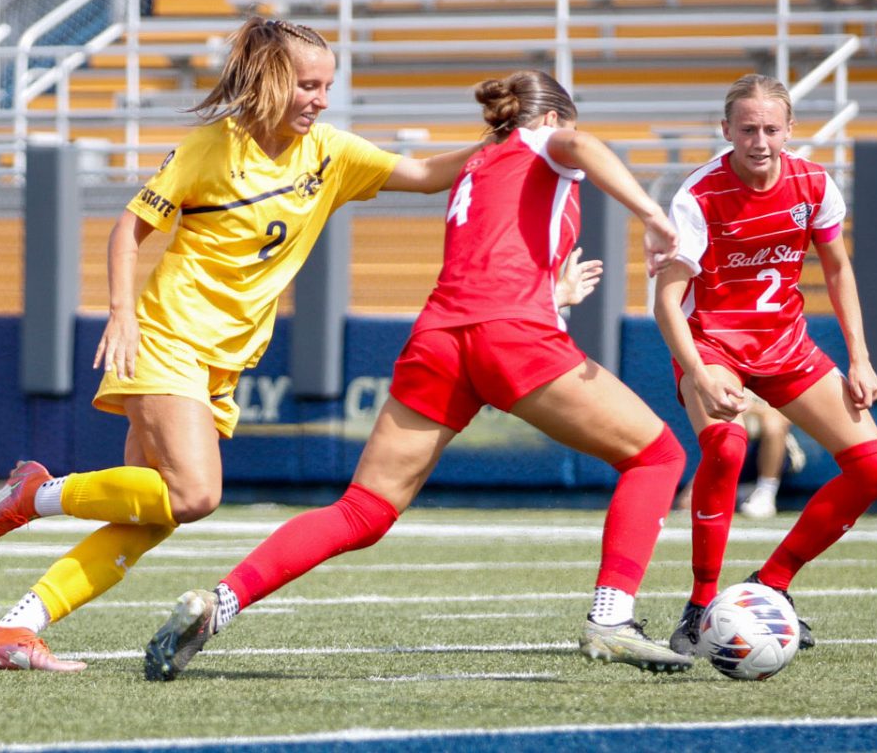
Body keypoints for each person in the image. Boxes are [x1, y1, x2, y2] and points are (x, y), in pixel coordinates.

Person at [0, 16, 487, 672]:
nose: (321, 100)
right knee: (195, 496)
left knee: (150, 515)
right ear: (270, 82)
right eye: (308, 86)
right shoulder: (208, 148)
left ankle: (15, 631)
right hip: (169, 334)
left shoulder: (332, 153)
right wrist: (121, 313)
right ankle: (32, 496)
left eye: (327, 87)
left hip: (221, 362)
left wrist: (506, 140)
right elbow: (128, 230)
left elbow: (428, 172)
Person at [142, 69, 693, 682]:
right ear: (552, 119)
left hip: (439, 340)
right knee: (658, 457)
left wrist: (550, 291)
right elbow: (580, 148)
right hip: (507, 337)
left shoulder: (480, 166)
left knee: (362, 511)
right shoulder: (546, 141)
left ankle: (217, 606)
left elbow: (494, 253)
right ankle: (611, 619)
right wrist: (654, 216)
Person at [652, 73, 877, 657]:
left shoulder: (814, 183)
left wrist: (860, 358)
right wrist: (700, 372)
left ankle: (772, 584)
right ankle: (700, 608)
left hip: (785, 346)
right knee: (728, 447)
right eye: (747, 128)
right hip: (712, 346)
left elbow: (838, 270)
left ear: (790, 130)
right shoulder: (698, 196)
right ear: (726, 129)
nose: (759, 140)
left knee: (874, 469)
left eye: (771, 128)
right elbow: (666, 299)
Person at [672, 389, 805, 519]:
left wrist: (753, 409)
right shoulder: (727, 378)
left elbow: (786, 417)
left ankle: (765, 492)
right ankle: (739, 490)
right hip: (733, 451)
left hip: (775, 454)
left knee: (773, 423)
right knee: (687, 503)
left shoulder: (775, 375)